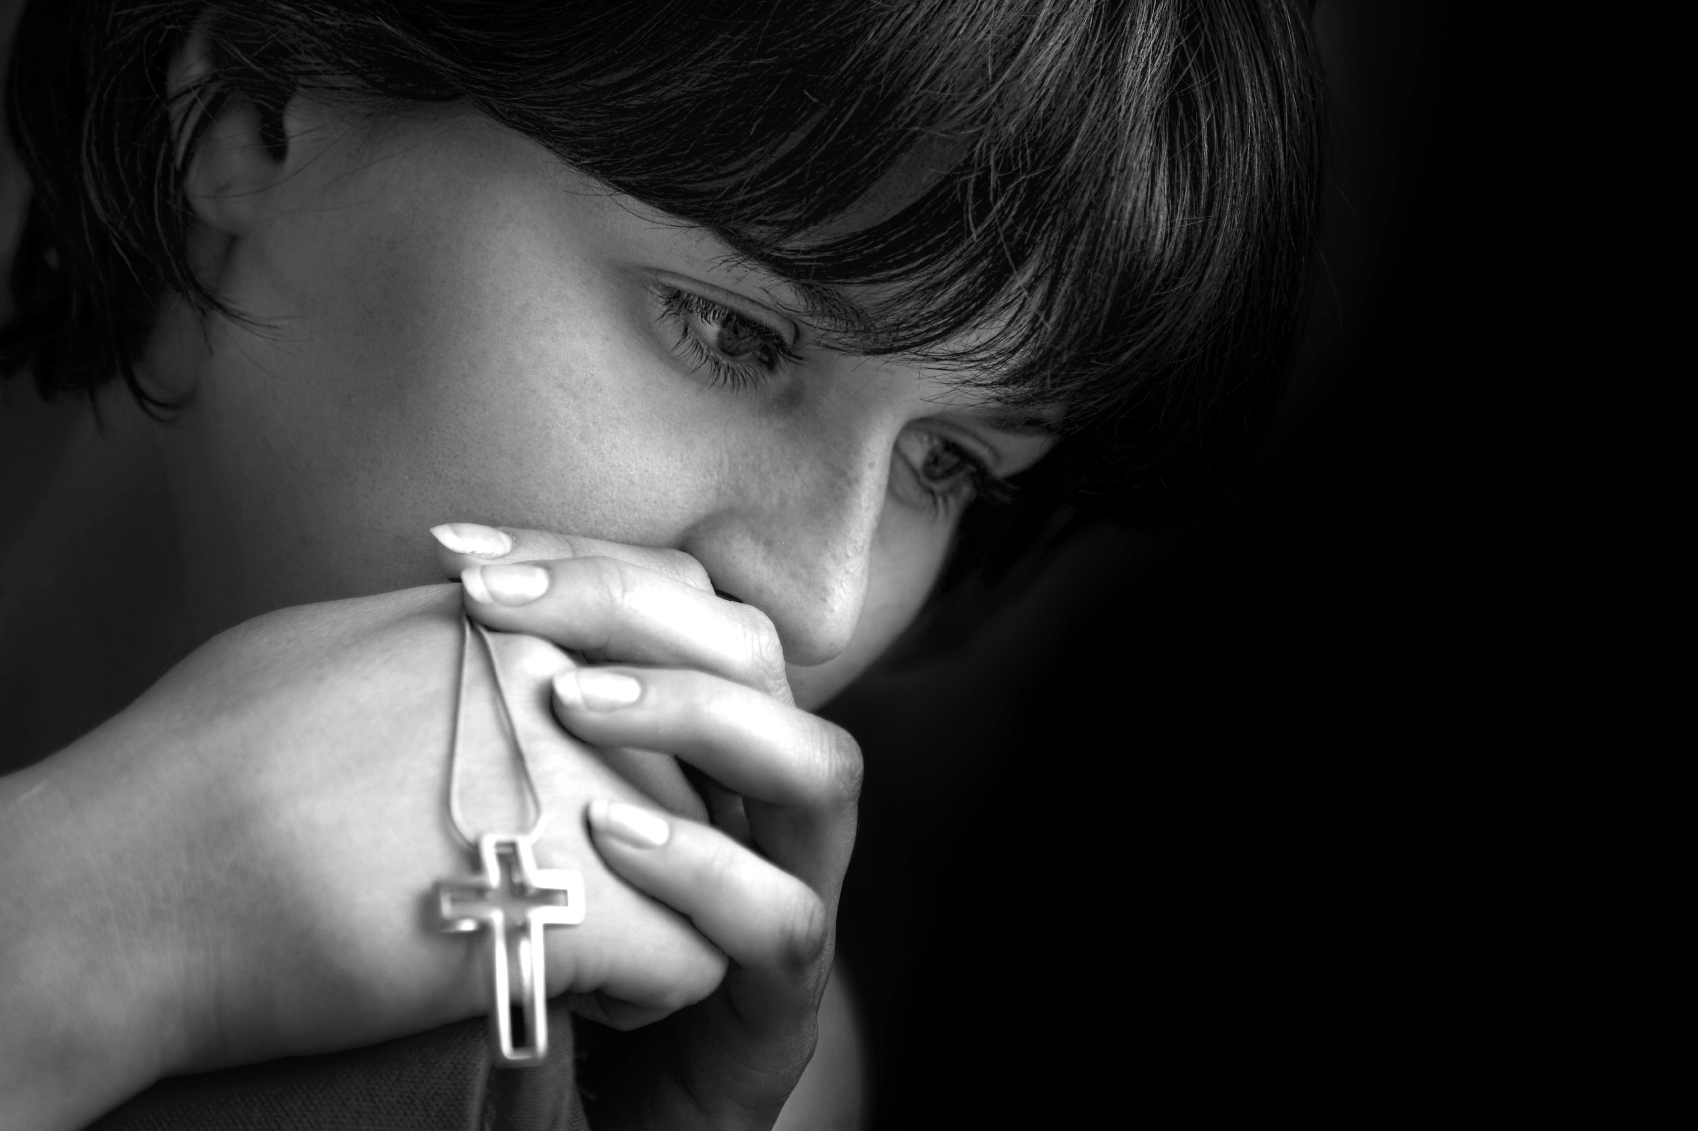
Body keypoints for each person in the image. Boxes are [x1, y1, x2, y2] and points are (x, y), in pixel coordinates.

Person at [0, 1, 1325, 1127]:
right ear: (256, 114)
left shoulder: (712, 1067)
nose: (816, 605)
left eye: (947, 464)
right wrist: (89, 917)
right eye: (728, 332)